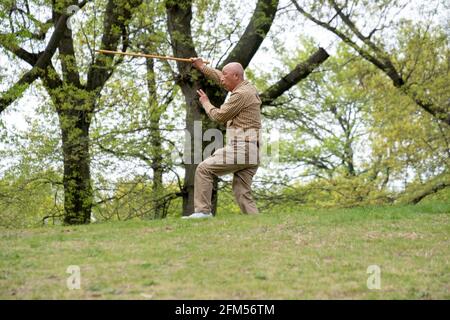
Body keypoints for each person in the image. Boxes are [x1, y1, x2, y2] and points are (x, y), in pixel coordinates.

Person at [182, 58, 262, 219]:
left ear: (236, 76)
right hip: (253, 151)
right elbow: (220, 77)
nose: (222, 79)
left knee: (204, 169)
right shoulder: (247, 87)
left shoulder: (241, 94)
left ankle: (203, 212)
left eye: (226, 76)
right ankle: (257, 224)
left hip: (242, 148)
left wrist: (205, 102)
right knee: (242, 192)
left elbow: (219, 116)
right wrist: (202, 67)